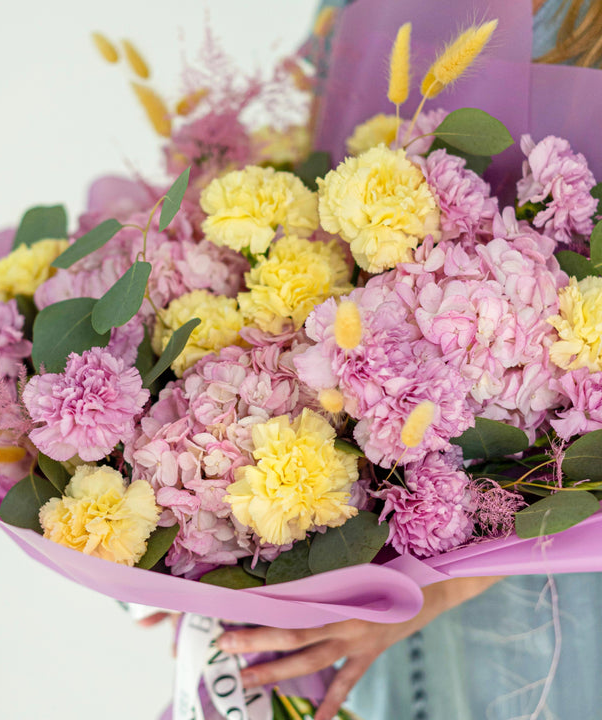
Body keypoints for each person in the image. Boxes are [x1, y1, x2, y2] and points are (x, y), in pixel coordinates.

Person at [211, 2, 602, 719]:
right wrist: (213, 547)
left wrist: (442, 586)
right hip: (375, 566)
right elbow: (303, 196)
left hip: (555, 597)